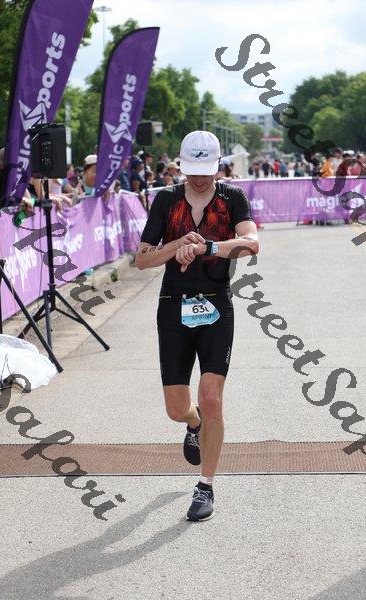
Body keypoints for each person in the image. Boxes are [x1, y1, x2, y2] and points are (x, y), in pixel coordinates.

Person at [135, 130, 259, 521]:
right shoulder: (166, 199)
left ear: (218, 166)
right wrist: (177, 245)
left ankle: (205, 486)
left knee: (211, 398)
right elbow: (142, 259)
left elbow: (251, 244)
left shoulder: (232, 198)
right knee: (177, 408)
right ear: (181, 165)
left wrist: (206, 247)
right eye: (192, 170)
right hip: (173, 307)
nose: (199, 178)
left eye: (206, 170)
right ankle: (193, 424)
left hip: (216, 305)